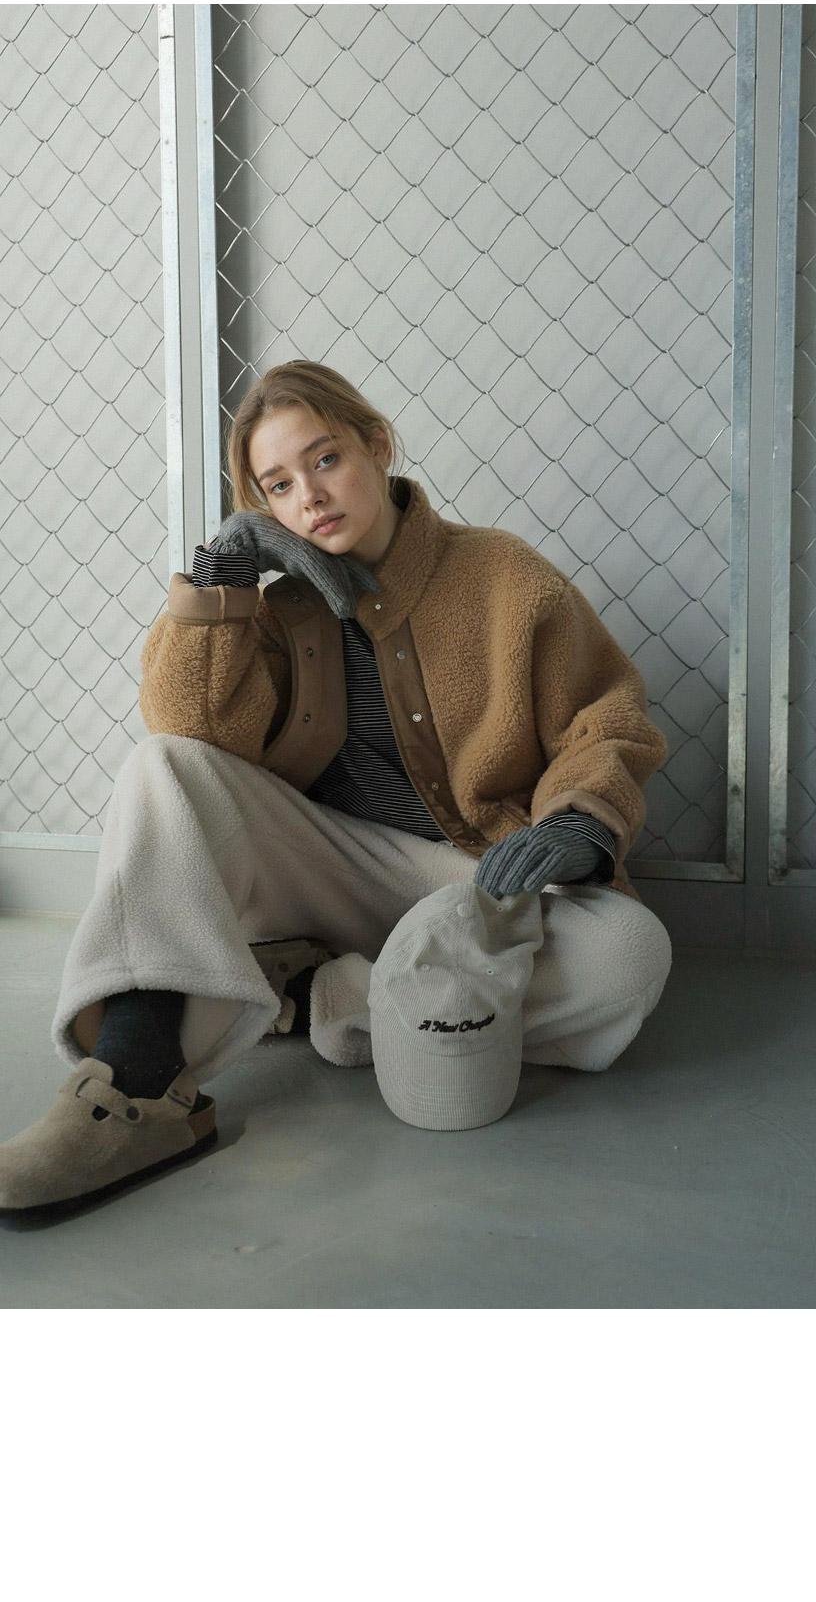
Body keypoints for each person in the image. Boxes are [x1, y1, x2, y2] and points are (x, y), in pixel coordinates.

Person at [0, 361, 673, 1217]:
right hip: (330, 873)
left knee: (627, 958)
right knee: (162, 765)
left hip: (475, 887)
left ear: (376, 445)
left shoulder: (506, 575)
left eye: (324, 460)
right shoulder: (278, 610)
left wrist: (581, 819)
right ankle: (135, 1084)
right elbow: (188, 728)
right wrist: (223, 574)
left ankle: (320, 995)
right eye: (278, 485)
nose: (310, 497)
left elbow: (604, 718)